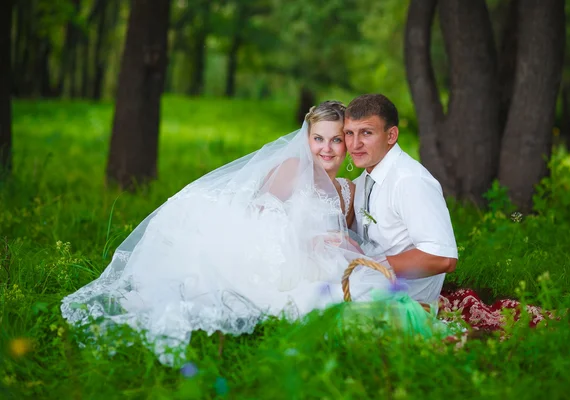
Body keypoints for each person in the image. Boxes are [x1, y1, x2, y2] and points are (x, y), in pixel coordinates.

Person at [61, 101, 393, 365]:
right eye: (318, 138)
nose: (327, 149)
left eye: (336, 139)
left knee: (363, 284)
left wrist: (343, 243)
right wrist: (308, 241)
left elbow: (341, 233)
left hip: (316, 257)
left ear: (347, 143)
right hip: (276, 250)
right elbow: (262, 218)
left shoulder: (346, 191)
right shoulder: (292, 170)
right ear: (306, 140)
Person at [344, 94, 458, 305]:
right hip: (370, 282)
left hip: (406, 297)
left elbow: (443, 258)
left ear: (391, 135)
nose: (354, 144)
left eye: (366, 133)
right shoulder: (364, 180)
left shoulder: (410, 180)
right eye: (349, 133)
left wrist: (374, 266)